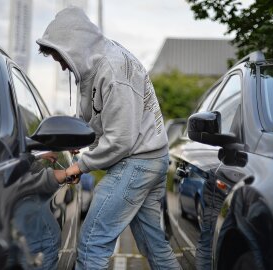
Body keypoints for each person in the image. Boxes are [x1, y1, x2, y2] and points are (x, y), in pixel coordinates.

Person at [37, 6, 180, 270]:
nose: (60, 64)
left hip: (137, 162)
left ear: (74, 45)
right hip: (148, 159)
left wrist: (78, 167)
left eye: (60, 56)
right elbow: (90, 124)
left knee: (92, 243)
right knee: (154, 246)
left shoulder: (113, 71)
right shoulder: (93, 66)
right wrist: (58, 147)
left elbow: (121, 140)